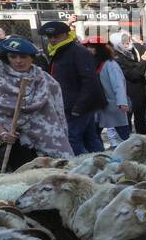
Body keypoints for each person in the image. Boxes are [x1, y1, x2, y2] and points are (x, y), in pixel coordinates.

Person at [0, 36, 73, 169]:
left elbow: (57, 113)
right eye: (13, 56)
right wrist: (3, 133)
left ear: (32, 57)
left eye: (23, 56)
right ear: (6, 57)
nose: (18, 61)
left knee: (60, 171)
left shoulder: (45, 80)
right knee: (25, 177)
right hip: (15, 142)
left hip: (46, 137)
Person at [37, 19, 106, 154]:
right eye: (49, 37)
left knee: (73, 138)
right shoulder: (59, 51)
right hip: (72, 104)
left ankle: (81, 167)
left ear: (66, 35)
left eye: (56, 36)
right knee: (90, 138)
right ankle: (102, 164)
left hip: (78, 105)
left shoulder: (77, 51)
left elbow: (89, 81)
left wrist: (79, 107)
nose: (52, 40)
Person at [92, 37, 131, 146]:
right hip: (101, 104)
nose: (89, 50)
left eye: (92, 47)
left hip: (113, 104)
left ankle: (130, 152)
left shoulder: (110, 64)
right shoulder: (97, 63)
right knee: (94, 133)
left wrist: (122, 102)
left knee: (123, 133)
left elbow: (118, 85)